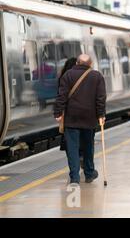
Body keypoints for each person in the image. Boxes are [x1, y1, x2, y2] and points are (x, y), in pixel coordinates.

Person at [54, 54, 106, 184]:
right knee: (88, 147)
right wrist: (101, 115)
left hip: (72, 119)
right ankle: (89, 173)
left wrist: (58, 112)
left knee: (72, 148)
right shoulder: (97, 76)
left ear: (77, 63)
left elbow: (62, 96)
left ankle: (74, 177)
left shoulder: (67, 75)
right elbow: (100, 98)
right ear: (90, 64)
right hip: (89, 119)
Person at [58, 57, 77, 152]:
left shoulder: (63, 77)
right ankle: (82, 156)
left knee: (69, 141)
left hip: (68, 114)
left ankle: (74, 165)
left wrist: (58, 113)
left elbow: (60, 97)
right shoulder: (84, 77)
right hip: (84, 114)